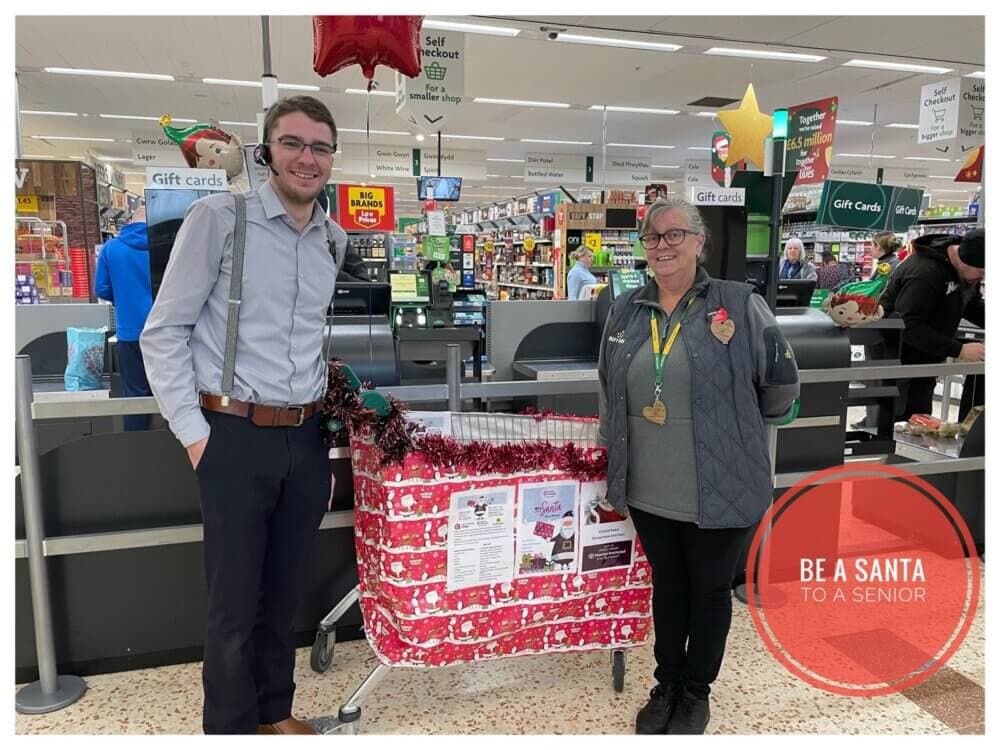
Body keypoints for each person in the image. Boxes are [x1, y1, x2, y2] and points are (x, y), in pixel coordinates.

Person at [141, 95, 348, 735]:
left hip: (304, 439)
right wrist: (196, 437)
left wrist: (325, 426)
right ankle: (230, 728)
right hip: (230, 434)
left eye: (320, 147)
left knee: (283, 591)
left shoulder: (333, 239)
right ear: (267, 151)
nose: (307, 158)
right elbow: (163, 332)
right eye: (293, 143)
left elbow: (309, 339)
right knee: (233, 603)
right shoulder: (220, 219)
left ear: (332, 159)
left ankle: (273, 711)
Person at [597, 196, 799, 735]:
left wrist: (735, 432)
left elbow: (781, 383)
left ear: (699, 242)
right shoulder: (626, 309)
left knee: (709, 590)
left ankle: (695, 692)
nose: (662, 246)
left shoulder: (738, 304)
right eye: (652, 237)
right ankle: (666, 683)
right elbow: (608, 387)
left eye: (674, 235)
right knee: (668, 585)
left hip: (721, 483)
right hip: (649, 485)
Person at [880, 230, 985, 420]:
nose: (983, 278)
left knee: (919, 417)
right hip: (896, 357)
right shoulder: (925, 272)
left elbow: (971, 305)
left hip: (926, 356)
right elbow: (907, 325)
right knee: (895, 418)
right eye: (982, 272)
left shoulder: (967, 271)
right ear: (965, 260)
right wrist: (959, 350)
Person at [95, 206, 153, 431]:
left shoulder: (112, 248)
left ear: (129, 221)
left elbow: (101, 288)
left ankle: (135, 446)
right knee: (171, 395)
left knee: (134, 396)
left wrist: (124, 298)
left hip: (129, 333)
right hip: (165, 332)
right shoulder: (167, 246)